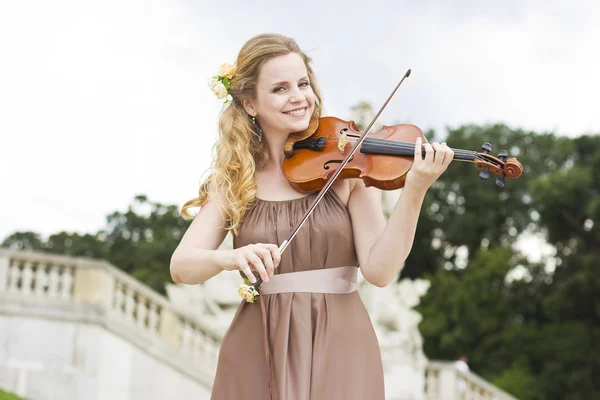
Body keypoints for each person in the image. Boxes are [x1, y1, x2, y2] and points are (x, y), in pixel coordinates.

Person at [170, 33, 454, 400]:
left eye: (303, 83)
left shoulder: (348, 170)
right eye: (280, 88)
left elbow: (380, 271)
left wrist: (415, 190)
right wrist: (231, 257)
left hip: (340, 337)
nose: (299, 97)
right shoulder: (237, 181)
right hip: (257, 341)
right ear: (249, 102)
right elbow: (182, 265)